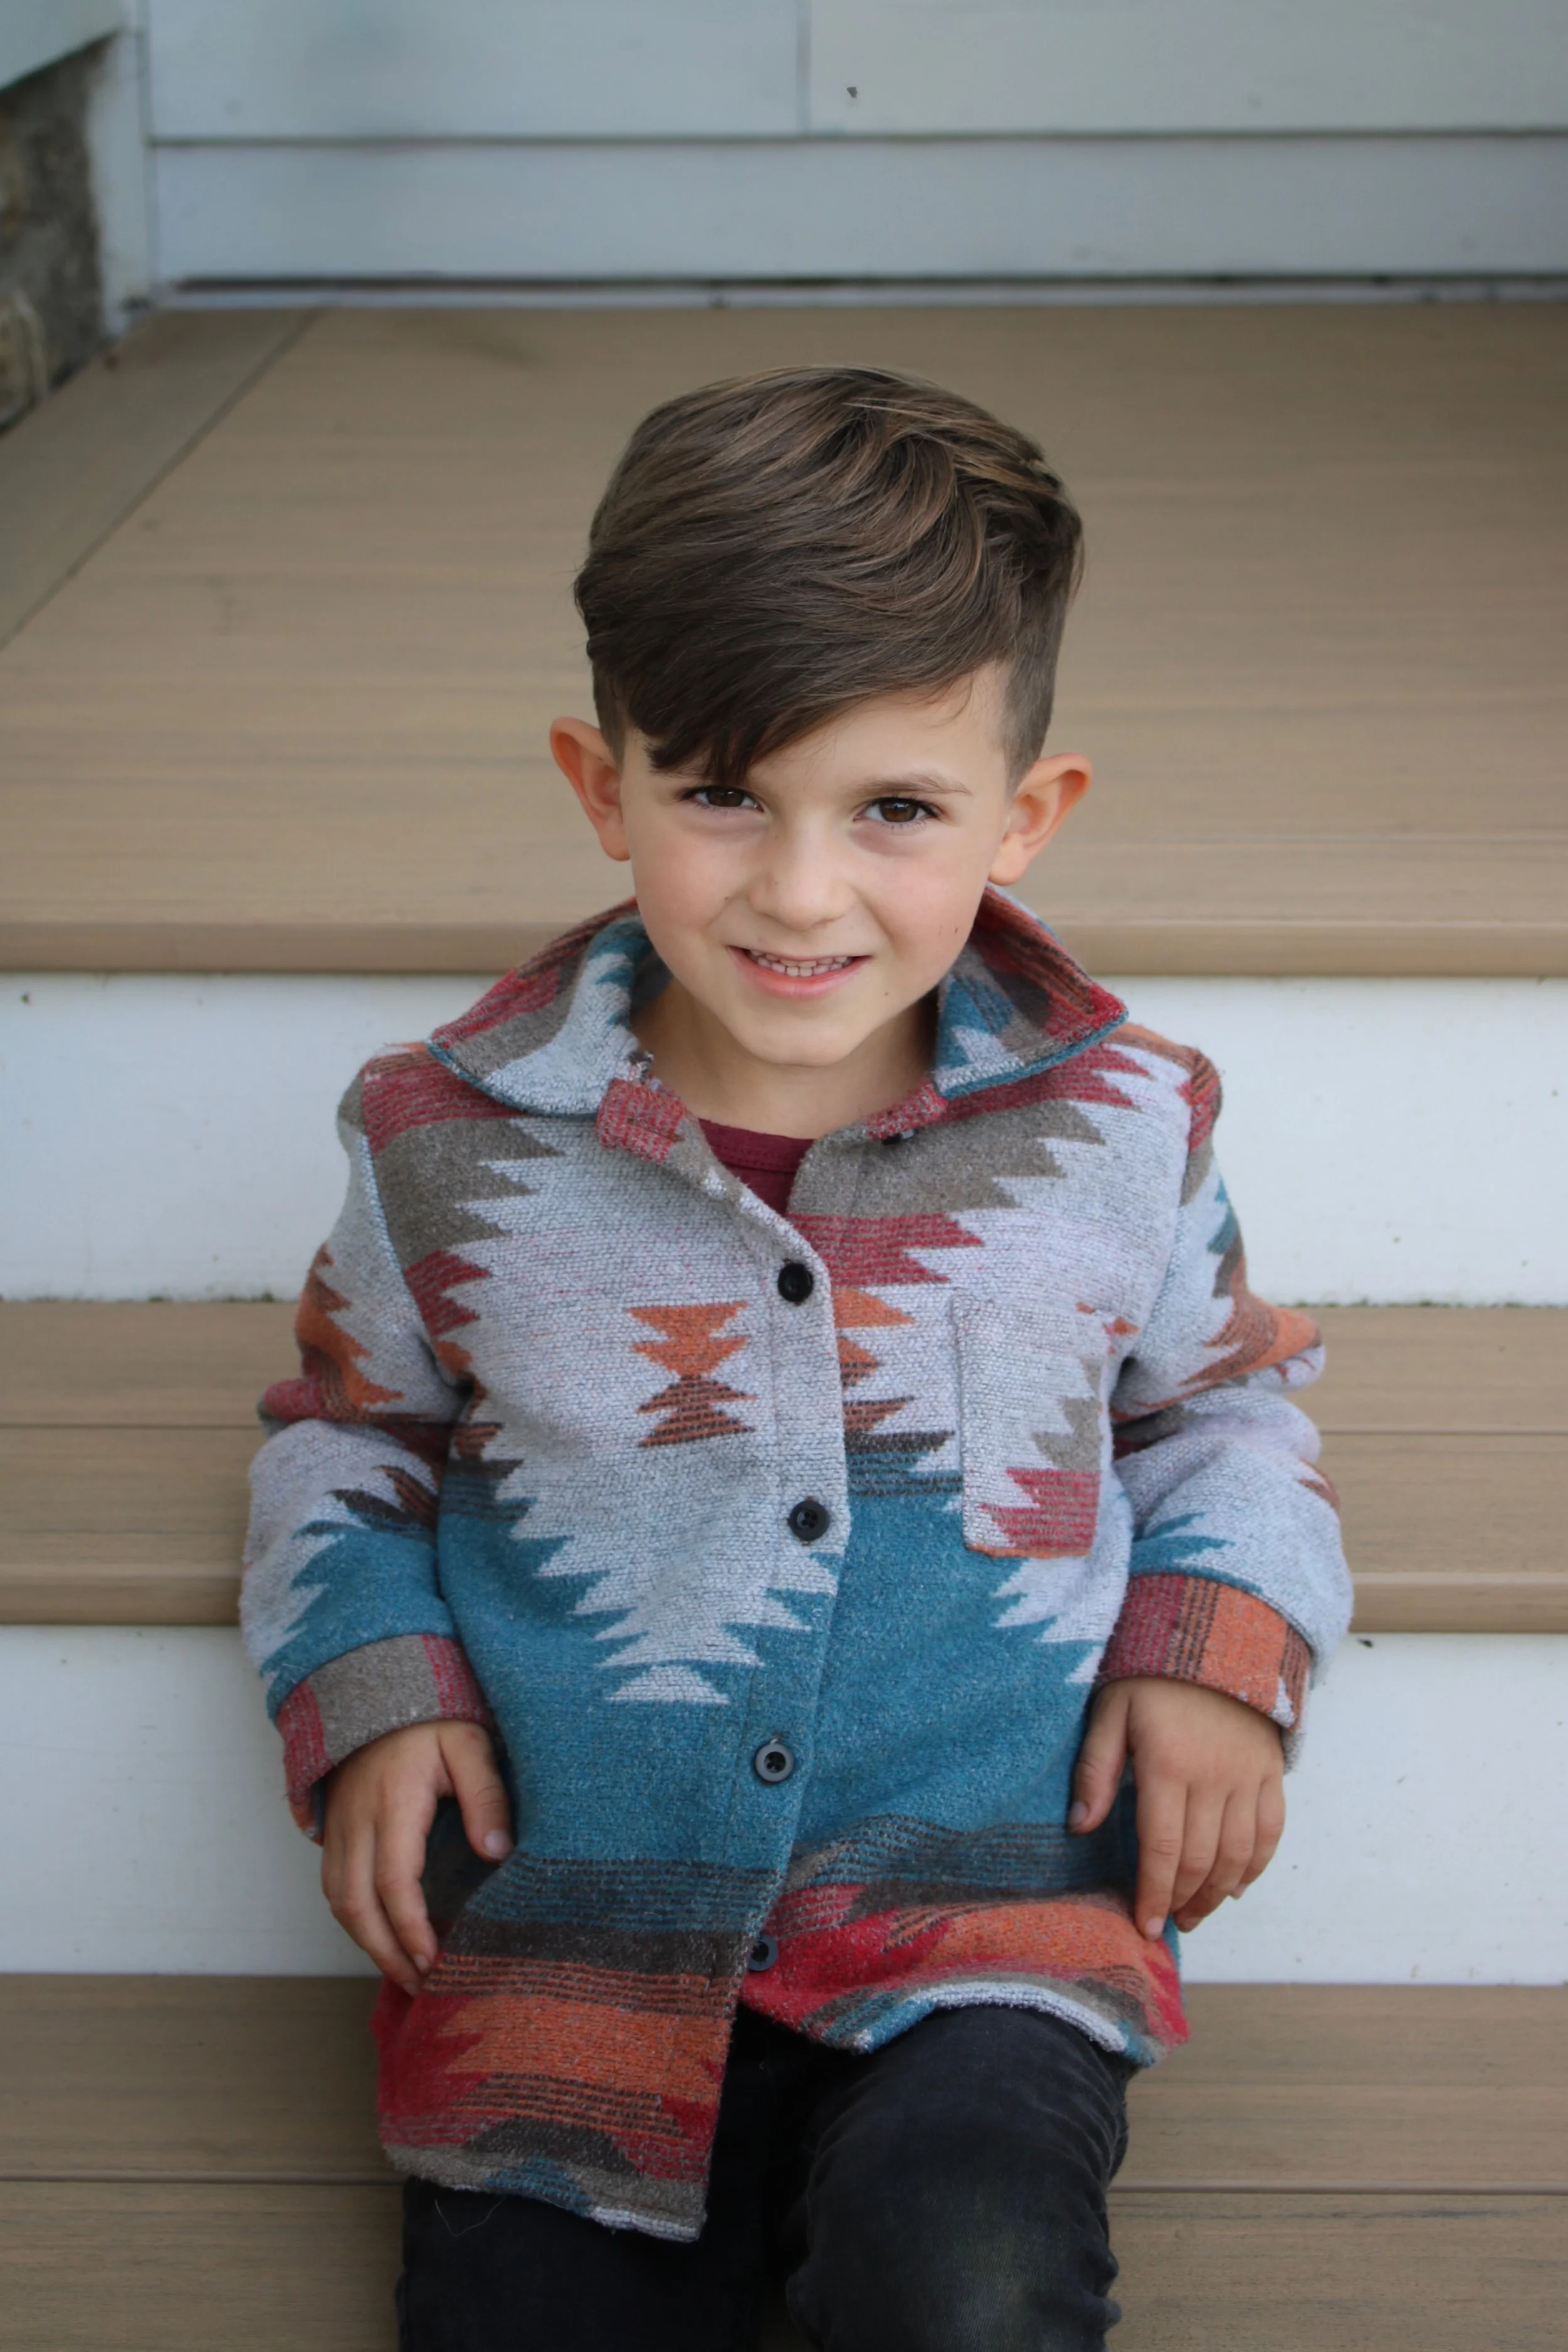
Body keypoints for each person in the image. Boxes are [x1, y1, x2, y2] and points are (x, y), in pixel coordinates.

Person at [241, 367, 1352, 2351]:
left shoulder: (1121, 1127)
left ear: (1026, 816)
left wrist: (1216, 1651)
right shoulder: (444, 1137)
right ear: (602, 785)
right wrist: (376, 1687)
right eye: (721, 794)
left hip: (983, 1917)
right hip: (575, 1930)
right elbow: (347, 1437)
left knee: (968, 2282)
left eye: (895, 809)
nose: (799, 887)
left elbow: (1218, 1411)